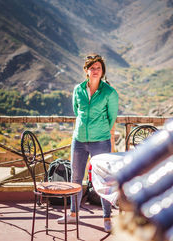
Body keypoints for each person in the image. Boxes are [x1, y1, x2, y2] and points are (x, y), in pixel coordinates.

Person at [57, 54, 119, 233]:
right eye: (92, 67)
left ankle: (107, 218)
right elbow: (77, 111)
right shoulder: (78, 89)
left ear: (102, 71)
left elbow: (111, 118)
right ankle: (73, 214)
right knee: (75, 178)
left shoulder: (109, 92)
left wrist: (99, 131)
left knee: (104, 180)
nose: (95, 71)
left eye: (98, 67)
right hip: (79, 140)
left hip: (101, 141)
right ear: (86, 70)